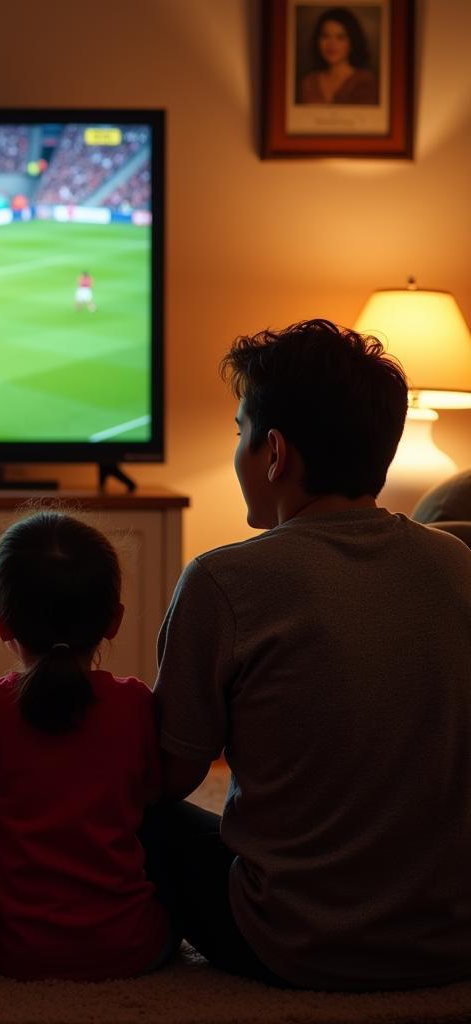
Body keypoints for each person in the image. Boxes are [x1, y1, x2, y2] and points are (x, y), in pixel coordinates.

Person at [152, 319, 471, 991]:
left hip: (290, 943)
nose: (239, 448)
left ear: (274, 454)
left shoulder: (220, 581)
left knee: (143, 818)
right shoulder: (456, 562)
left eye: (239, 431)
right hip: (448, 942)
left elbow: (172, 774)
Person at [0, 510, 174, 981]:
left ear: (3, 623)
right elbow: (151, 796)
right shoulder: (135, 704)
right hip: (129, 948)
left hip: (14, 952)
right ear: (114, 620)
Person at [298, 7, 378, 105]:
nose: (331, 44)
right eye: (325, 36)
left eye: (340, 37)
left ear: (352, 42)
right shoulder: (309, 82)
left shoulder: (365, 81)